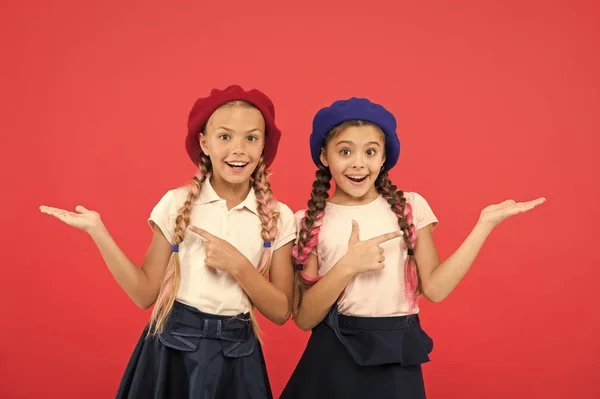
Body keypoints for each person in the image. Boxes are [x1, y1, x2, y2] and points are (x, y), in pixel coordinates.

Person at [40, 85, 297, 399]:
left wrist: (239, 266)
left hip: (238, 357)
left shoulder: (279, 217)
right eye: (225, 136)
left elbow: (282, 311)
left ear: (263, 145)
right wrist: (98, 232)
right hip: (173, 351)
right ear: (204, 142)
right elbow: (144, 293)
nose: (239, 149)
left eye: (251, 138)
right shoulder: (176, 204)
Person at [280, 97, 545, 398]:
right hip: (332, 358)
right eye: (344, 151)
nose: (358, 162)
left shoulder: (410, 207)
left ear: (383, 159)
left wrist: (483, 225)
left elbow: (436, 289)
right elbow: (303, 318)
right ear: (325, 156)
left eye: (370, 151)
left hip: (397, 352)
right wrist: (347, 267)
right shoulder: (309, 221)